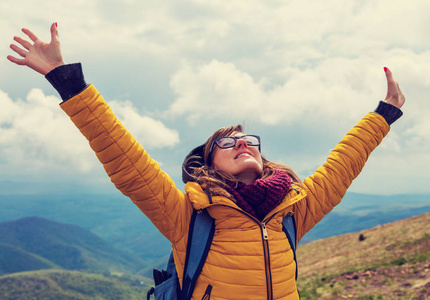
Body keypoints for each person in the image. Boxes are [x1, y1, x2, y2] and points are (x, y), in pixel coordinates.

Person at [8, 23, 405, 300]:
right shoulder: (189, 217)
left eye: (249, 140)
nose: (242, 144)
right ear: (208, 165)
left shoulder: (293, 211)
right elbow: (127, 161)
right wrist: (67, 82)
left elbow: (342, 164)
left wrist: (383, 114)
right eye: (227, 142)